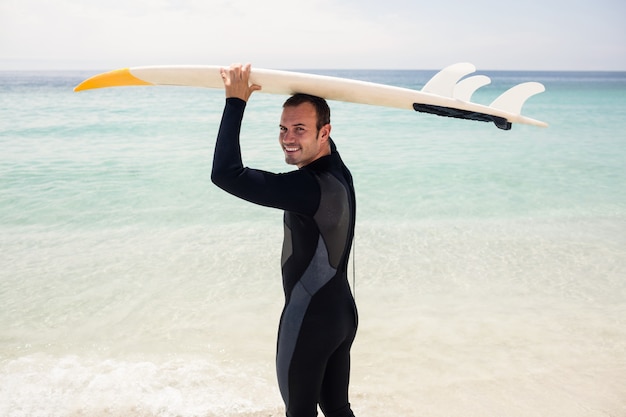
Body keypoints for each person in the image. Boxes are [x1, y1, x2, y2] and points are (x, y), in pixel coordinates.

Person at [211, 63, 358, 417]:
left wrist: (235, 102)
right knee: (338, 410)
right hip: (341, 315)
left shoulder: (306, 188)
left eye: (299, 129)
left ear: (325, 133)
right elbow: (314, 137)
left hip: (309, 319)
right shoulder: (337, 170)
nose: (288, 138)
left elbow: (225, 174)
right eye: (282, 128)